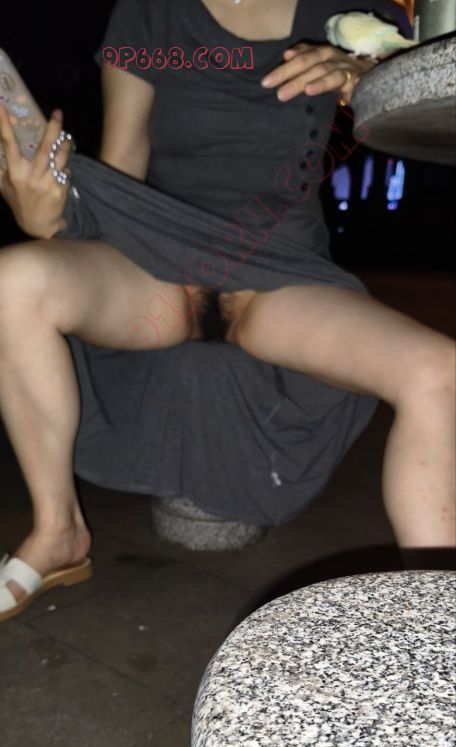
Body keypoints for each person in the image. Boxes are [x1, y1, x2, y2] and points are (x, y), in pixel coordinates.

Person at [0, 0, 454, 622]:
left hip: (280, 275)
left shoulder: (343, 10)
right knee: (12, 280)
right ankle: (59, 530)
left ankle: (436, 625)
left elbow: (418, 96)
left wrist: (360, 77)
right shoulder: (151, 14)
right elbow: (123, 166)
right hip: (157, 261)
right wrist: (45, 218)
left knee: (437, 371)